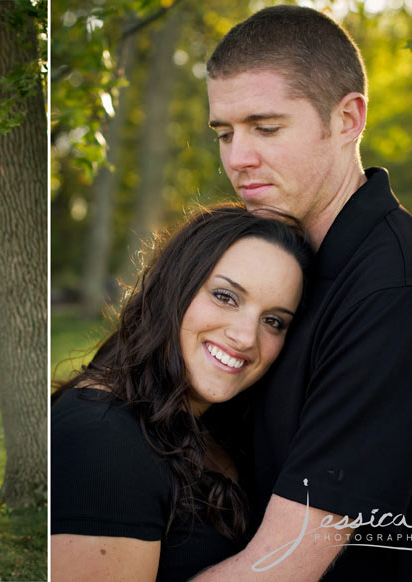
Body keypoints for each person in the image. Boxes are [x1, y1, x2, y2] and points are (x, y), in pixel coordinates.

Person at [193, 6, 412, 581]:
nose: (237, 159)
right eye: (225, 133)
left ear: (348, 119)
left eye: (266, 127)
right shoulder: (271, 263)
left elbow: (282, 567)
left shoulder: (394, 291)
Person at [51, 205, 314, 581]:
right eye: (226, 296)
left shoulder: (215, 423)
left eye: (273, 321)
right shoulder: (103, 438)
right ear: (175, 287)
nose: (245, 337)